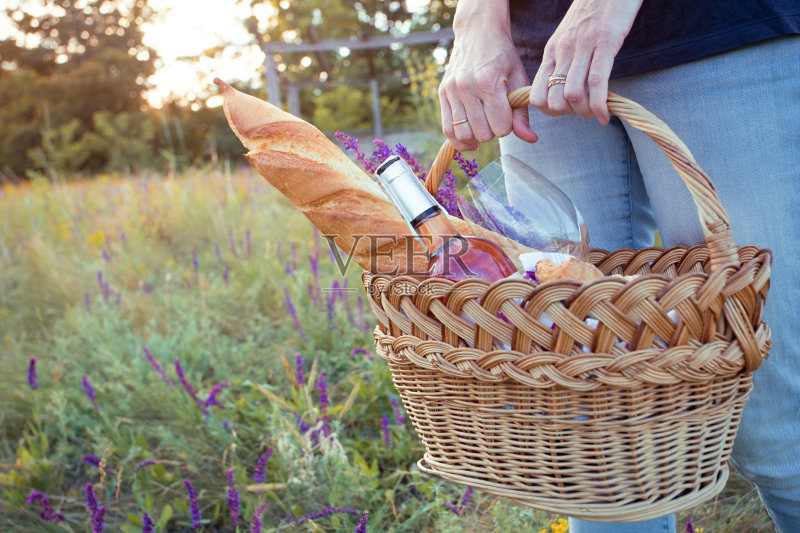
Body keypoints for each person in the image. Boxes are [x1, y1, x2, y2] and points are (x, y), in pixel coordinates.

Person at [437, 0, 800, 531]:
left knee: (774, 419)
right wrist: (477, 18)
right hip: (539, 63)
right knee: (587, 428)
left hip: (714, 31)